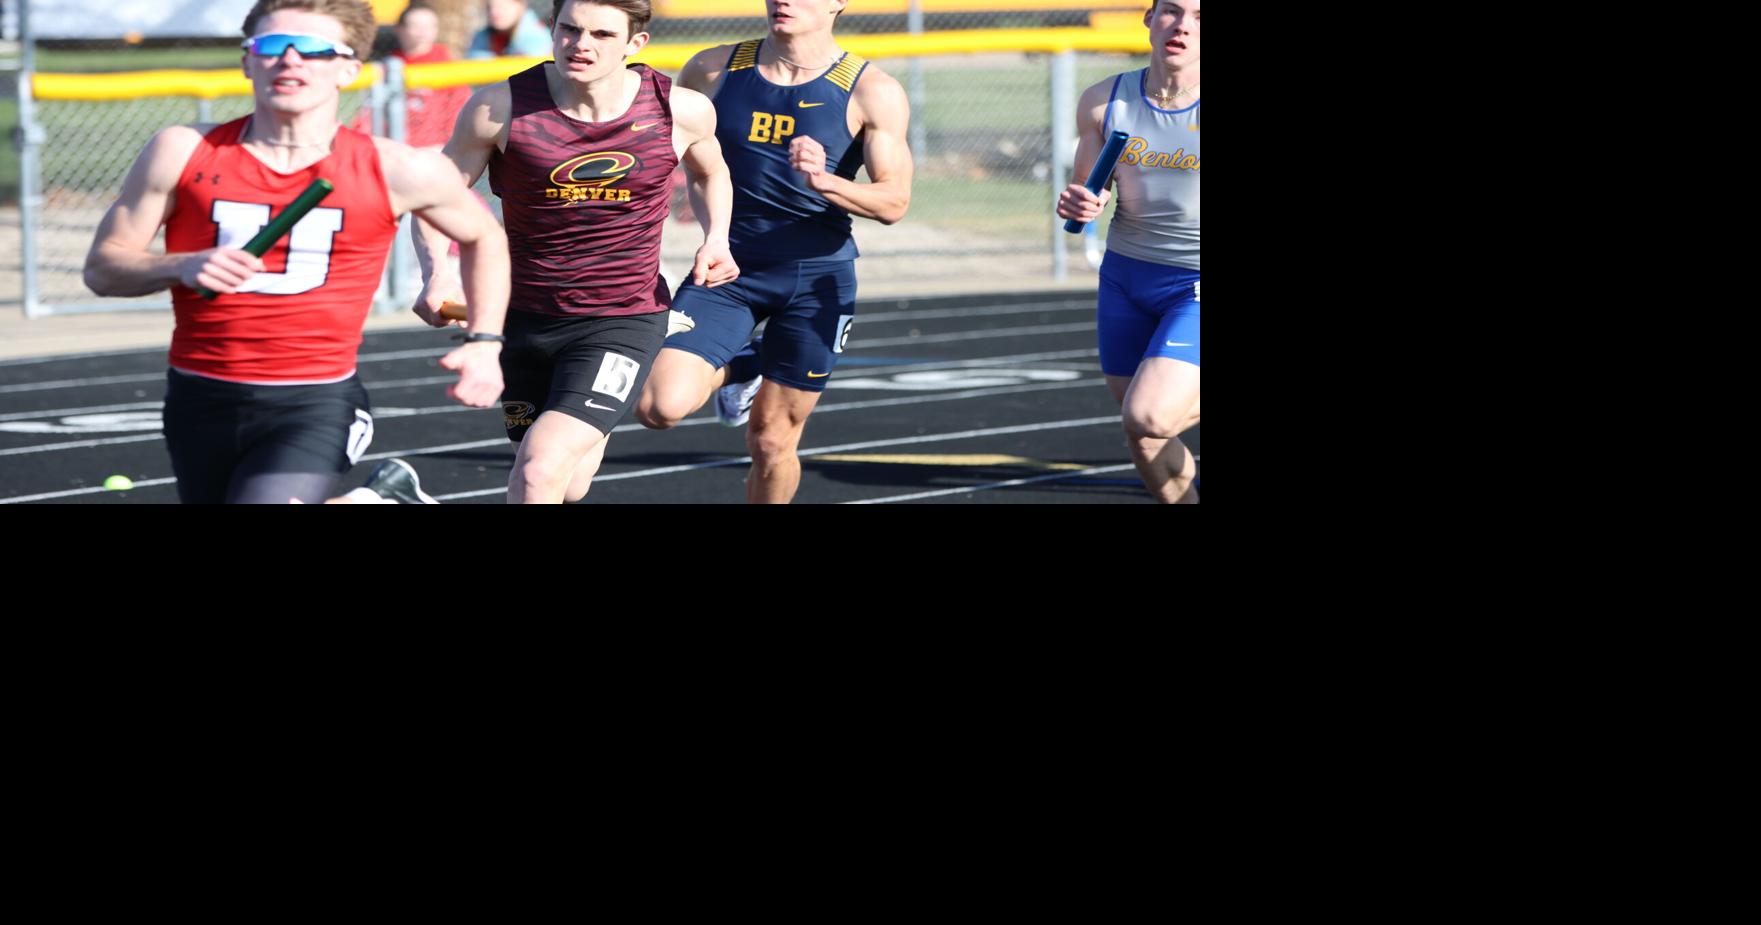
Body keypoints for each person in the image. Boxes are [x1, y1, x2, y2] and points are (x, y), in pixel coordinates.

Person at [82, 0, 510, 504]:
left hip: (313, 402)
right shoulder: (180, 150)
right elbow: (103, 270)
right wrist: (181, 264)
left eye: (311, 49)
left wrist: (482, 340)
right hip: (198, 396)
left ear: (348, 68)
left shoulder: (395, 167)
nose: (289, 60)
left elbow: (485, 236)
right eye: (269, 46)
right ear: (246, 61)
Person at [412, 0, 738, 503]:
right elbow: (437, 197)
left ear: (636, 44)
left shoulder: (680, 109)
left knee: (539, 470)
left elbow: (710, 171)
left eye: (602, 35)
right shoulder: (498, 108)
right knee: (567, 484)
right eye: (570, 29)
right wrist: (437, 273)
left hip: (623, 318)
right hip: (522, 317)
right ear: (552, 29)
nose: (581, 45)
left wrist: (716, 237)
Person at [634, 0, 912, 504]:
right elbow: (677, 159)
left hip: (815, 279)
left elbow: (894, 201)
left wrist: (824, 180)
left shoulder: (872, 90)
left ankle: (756, 364)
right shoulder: (713, 68)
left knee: (771, 440)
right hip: (726, 264)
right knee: (659, 407)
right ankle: (746, 363)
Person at [1055, 0, 1199, 503]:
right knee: (1143, 431)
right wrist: (1078, 203)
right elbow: (1085, 194)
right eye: (1172, 11)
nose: (1182, 25)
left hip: (1195, 282)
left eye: (1201, 17)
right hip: (1125, 278)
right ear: (1148, 18)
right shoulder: (1105, 100)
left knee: (1151, 412)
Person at [467, 0, 552, 58]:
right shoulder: (483, 35)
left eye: (502, 7)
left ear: (521, 6)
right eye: (490, 7)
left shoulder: (537, 37)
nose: (494, 13)